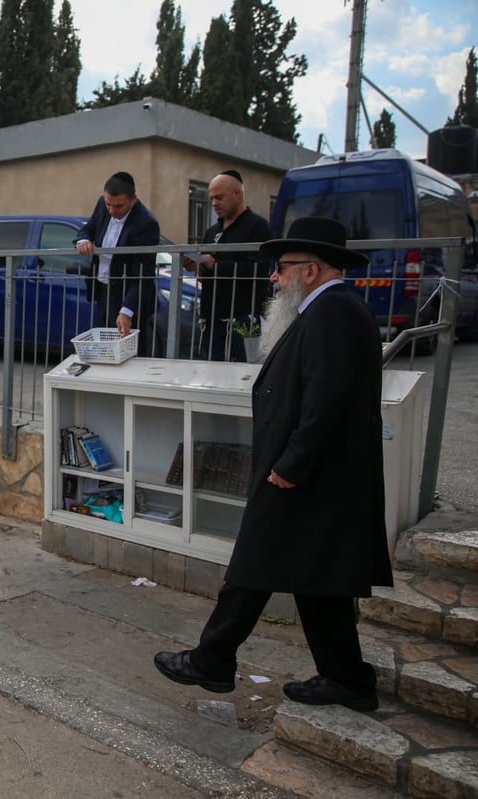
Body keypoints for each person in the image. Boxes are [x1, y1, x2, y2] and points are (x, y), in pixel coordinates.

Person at [153, 217, 392, 712]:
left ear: (311, 269)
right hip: (309, 472)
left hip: (306, 473)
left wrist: (292, 463)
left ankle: (212, 660)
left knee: (255, 564)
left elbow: (326, 402)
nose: (273, 277)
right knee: (314, 576)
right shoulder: (326, 310)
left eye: (282, 268)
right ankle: (347, 677)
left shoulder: (334, 313)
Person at [73, 172, 161, 350]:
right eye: (108, 205)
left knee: (128, 350)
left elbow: (144, 274)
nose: (112, 211)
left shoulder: (146, 223)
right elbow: (88, 228)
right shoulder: (102, 204)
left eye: (119, 206)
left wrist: (127, 311)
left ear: (133, 200)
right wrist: (84, 241)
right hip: (103, 289)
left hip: (127, 294)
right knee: (105, 348)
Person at [195, 170, 273, 362]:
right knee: (213, 376)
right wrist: (200, 268)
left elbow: (258, 271)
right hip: (212, 319)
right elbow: (208, 273)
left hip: (243, 318)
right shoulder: (212, 231)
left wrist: (216, 265)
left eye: (219, 198)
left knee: (245, 376)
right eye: (212, 198)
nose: (214, 203)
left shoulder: (258, 226)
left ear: (236, 194)